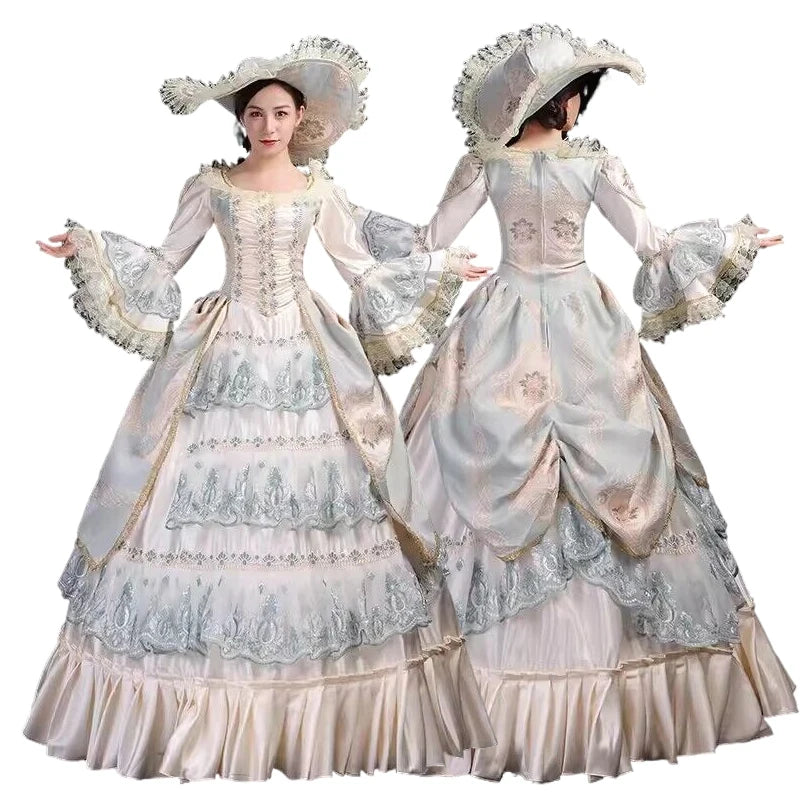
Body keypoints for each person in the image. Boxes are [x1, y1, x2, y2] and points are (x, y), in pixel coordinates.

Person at [25, 37, 494, 780]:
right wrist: (90, 248)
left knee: (327, 507)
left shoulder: (319, 190)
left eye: (280, 113)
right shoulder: (211, 185)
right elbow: (165, 258)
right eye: (255, 114)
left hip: (307, 347)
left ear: (301, 118)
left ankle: (320, 714)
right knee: (191, 502)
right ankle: (201, 714)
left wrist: (438, 268)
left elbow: (359, 269)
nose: (268, 125)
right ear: (240, 121)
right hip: (224, 348)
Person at [373, 24, 794, 781]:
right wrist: (375, 241)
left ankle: (566, 697)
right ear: (541, 96)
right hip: (531, 321)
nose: (576, 103)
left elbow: (649, 241)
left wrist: (727, 241)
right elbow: (435, 238)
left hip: (555, 324)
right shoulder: (503, 162)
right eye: (571, 90)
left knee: (593, 474)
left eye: (580, 91)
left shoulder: (576, 161)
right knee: (503, 472)